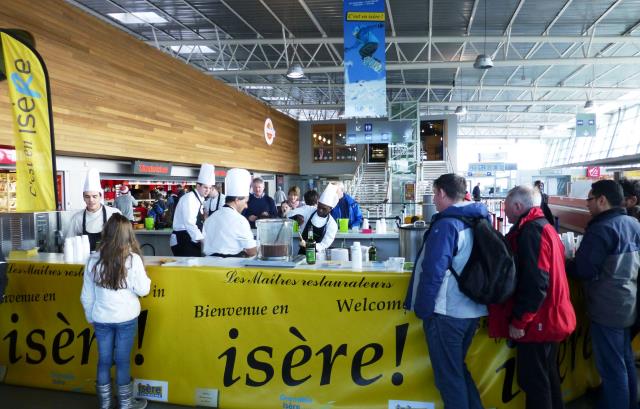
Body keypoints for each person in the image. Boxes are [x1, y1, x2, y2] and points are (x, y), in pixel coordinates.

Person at [404, 173, 488, 409]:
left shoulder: (447, 224)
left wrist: (423, 308)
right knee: (456, 370)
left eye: (434, 193)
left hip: (448, 312)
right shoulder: (478, 219)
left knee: (448, 379)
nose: (434, 198)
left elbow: (433, 271)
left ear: (441, 192)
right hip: (471, 309)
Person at [489, 185, 576, 409]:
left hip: (539, 321)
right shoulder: (544, 226)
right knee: (548, 376)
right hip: (551, 316)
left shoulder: (530, 232)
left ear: (518, 206)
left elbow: (536, 282)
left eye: (506, 207)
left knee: (534, 382)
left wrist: (520, 320)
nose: (505, 212)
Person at [566, 179, 640, 409]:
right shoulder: (633, 223)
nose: (587, 204)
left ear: (602, 200)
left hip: (607, 307)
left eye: (589, 199)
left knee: (612, 368)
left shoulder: (601, 229)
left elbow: (583, 270)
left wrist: (563, 261)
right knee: (625, 359)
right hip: (629, 302)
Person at [80, 214, 150, 409]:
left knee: (103, 361)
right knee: (122, 361)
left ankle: (105, 405)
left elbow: (86, 296)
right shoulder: (133, 260)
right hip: (126, 318)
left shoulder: (93, 260)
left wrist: (91, 317)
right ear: (128, 235)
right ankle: (126, 404)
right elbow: (143, 290)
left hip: (101, 319)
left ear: (106, 233)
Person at [203, 168, 257, 258]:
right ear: (237, 200)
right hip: (231, 267)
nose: (246, 206)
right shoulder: (240, 220)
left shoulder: (210, 218)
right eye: (245, 202)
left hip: (209, 266)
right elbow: (252, 251)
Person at [66, 169, 121, 251]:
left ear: (100, 196)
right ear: (83, 197)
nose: (91, 200)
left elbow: (124, 239)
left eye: (94, 196)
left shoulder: (114, 213)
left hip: (110, 260)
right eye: (87, 196)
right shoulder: (77, 218)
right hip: (85, 261)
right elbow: (69, 243)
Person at [170, 164, 215, 257]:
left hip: (190, 240)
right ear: (198, 186)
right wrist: (203, 241)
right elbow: (189, 223)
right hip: (183, 239)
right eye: (205, 187)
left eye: (210, 188)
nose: (208, 190)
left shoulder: (200, 199)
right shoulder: (189, 198)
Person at [289, 183, 339, 255]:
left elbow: (324, 245)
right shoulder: (310, 210)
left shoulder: (332, 225)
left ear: (330, 209)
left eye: (324, 209)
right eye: (319, 207)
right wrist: (296, 217)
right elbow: (289, 214)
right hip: (301, 254)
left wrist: (308, 245)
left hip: (318, 256)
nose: (320, 210)